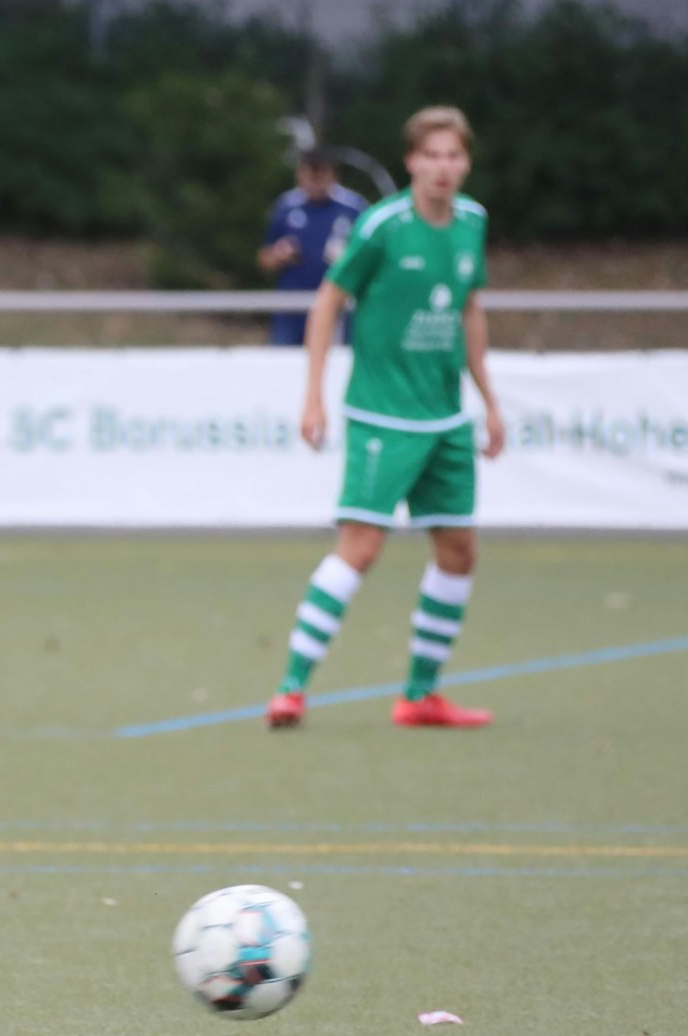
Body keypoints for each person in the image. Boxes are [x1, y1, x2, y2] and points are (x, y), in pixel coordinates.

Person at [266, 107, 502, 731]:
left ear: (466, 163)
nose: (444, 168)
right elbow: (328, 302)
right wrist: (314, 395)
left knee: (458, 550)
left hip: (447, 421)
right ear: (411, 162)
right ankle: (291, 688)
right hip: (381, 417)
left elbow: (470, 310)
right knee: (361, 549)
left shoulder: (473, 221)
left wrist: (490, 401)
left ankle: (421, 696)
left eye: (455, 156)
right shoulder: (382, 226)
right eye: (433, 156)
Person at [258, 149, 367, 345]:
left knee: (336, 364)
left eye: (321, 176)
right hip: (291, 308)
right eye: (310, 176)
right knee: (283, 366)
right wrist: (278, 254)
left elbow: (370, 259)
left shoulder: (353, 207)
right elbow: (264, 259)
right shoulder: (286, 206)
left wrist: (348, 258)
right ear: (299, 174)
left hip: (337, 306)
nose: (315, 183)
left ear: (333, 175)